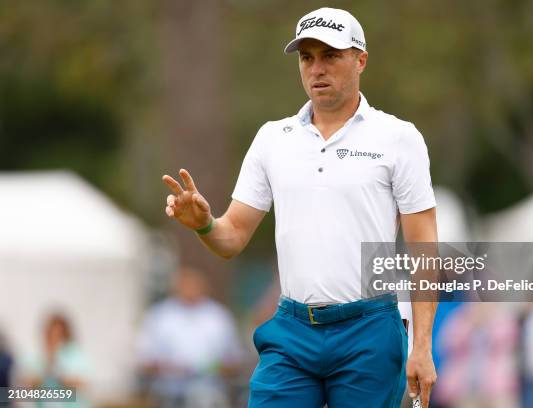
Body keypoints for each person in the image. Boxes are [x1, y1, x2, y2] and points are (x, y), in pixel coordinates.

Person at [162, 7, 438, 407]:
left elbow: (423, 248)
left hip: (369, 329)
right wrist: (205, 224)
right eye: (307, 58)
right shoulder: (273, 138)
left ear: (360, 60)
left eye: (330, 56)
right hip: (292, 331)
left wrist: (422, 346)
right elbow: (232, 237)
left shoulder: (398, 138)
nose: (317, 68)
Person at [136, 266, 243, 408]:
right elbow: (144, 360)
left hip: (210, 394)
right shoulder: (159, 316)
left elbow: (235, 361)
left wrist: (211, 368)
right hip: (168, 395)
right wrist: (172, 369)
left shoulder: (218, 316)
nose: (190, 290)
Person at [19, 312, 91, 408]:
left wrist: (57, 372)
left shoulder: (76, 356)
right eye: (51, 335)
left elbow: (81, 383)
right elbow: (26, 384)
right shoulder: (36, 356)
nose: (54, 339)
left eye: (59, 335)